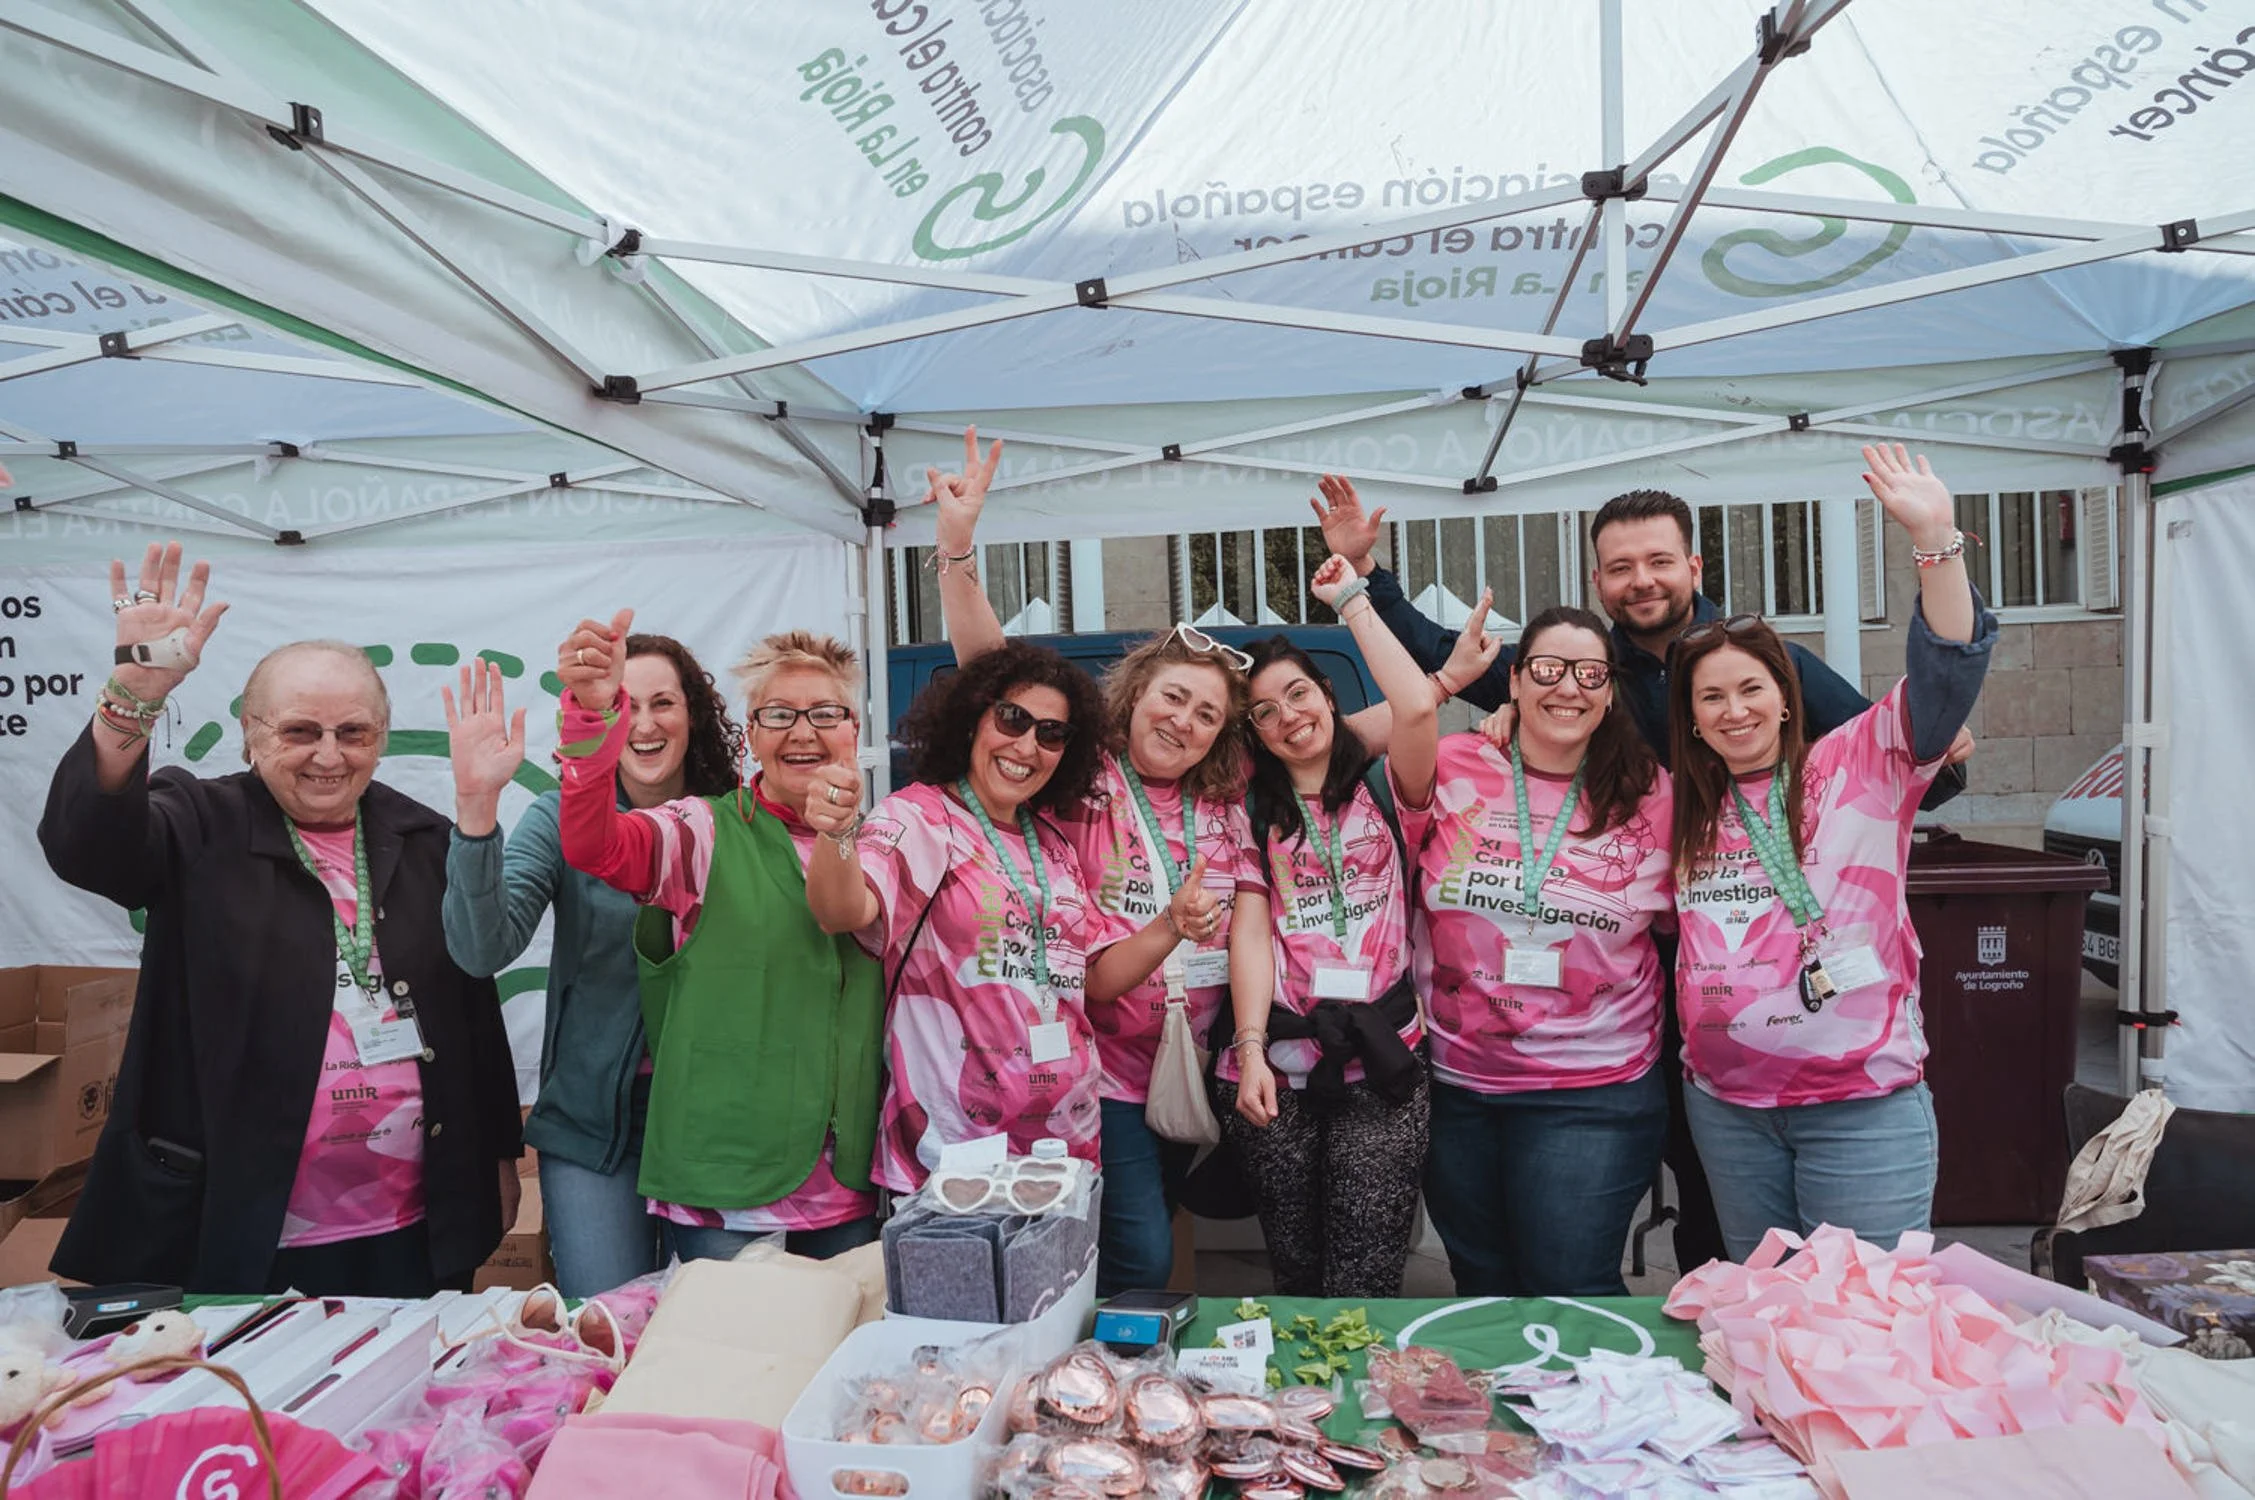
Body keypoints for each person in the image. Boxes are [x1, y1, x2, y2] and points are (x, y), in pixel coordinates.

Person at [1312, 478, 1972, 1273]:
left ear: (1693, 567)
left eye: (1658, 561)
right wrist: (1368, 580)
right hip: (1690, 1033)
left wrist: (1927, 732)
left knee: (1818, 1280)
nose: (1641, 580)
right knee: (1729, 1250)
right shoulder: (1589, 672)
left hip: (1755, 1033)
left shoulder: (1770, 669)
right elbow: (1441, 662)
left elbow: (1906, 741)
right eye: (1620, 567)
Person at [40, 544, 521, 1296]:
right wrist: (132, 695)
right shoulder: (198, 823)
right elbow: (86, 847)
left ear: (382, 737)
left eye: (353, 733)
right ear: (251, 733)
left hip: (411, 1225)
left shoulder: (425, 838)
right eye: (300, 731)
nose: (329, 756)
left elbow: (472, 1011)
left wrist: (497, 1154)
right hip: (236, 1224)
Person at [1670, 445, 1994, 1259]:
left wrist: (1935, 541)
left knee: (1864, 1312)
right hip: (1727, 1111)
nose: (1733, 710)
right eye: (1711, 697)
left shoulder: (1858, 763)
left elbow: (1945, 673)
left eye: (1750, 688)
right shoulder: (1680, 804)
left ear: (1785, 699)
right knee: (1765, 1308)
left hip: (1859, 1104)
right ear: (1693, 721)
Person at [548, 613, 885, 1261]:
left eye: (825, 713)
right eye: (779, 715)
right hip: (725, 1181)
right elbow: (596, 847)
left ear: (853, 730)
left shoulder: (882, 842)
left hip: (845, 1180)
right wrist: (591, 719)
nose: (803, 732)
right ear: (751, 735)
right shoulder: (701, 830)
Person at [1372, 581, 1677, 1295]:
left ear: (1609, 692)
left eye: (1589, 673)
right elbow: (1331, 748)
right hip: (1456, 1086)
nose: (1567, 687)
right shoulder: (1454, 763)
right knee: (1480, 1283)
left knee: (1568, 1283)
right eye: (1546, 669)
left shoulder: (1654, 793)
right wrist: (1361, 592)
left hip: (1593, 1089)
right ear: (1512, 681)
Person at [442, 634, 744, 1295]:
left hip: (719, 1128)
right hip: (592, 1127)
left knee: (721, 1329)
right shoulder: (559, 816)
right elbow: (481, 949)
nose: (642, 724)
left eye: (663, 703)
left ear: (694, 715)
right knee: (603, 1327)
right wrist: (475, 809)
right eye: (621, 706)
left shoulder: (740, 821)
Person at [803, 634, 1109, 1190]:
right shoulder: (920, 817)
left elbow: (1084, 976)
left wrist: (1173, 926)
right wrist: (836, 832)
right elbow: (841, 911)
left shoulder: (1053, 843)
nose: (1027, 745)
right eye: (1012, 719)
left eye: (1051, 733)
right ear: (973, 719)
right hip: (952, 1159)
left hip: (1068, 1149)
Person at [1220, 623, 1428, 1299]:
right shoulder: (1249, 811)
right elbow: (1250, 933)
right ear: (1254, 733)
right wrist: (1250, 1051)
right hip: (1279, 1066)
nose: (1287, 716)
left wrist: (1351, 601)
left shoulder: (1388, 783)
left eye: (1298, 693)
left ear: (1328, 694)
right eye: (1264, 711)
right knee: (1296, 1270)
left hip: (1384, 1056)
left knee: (1366, 1273)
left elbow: (1416, 708)